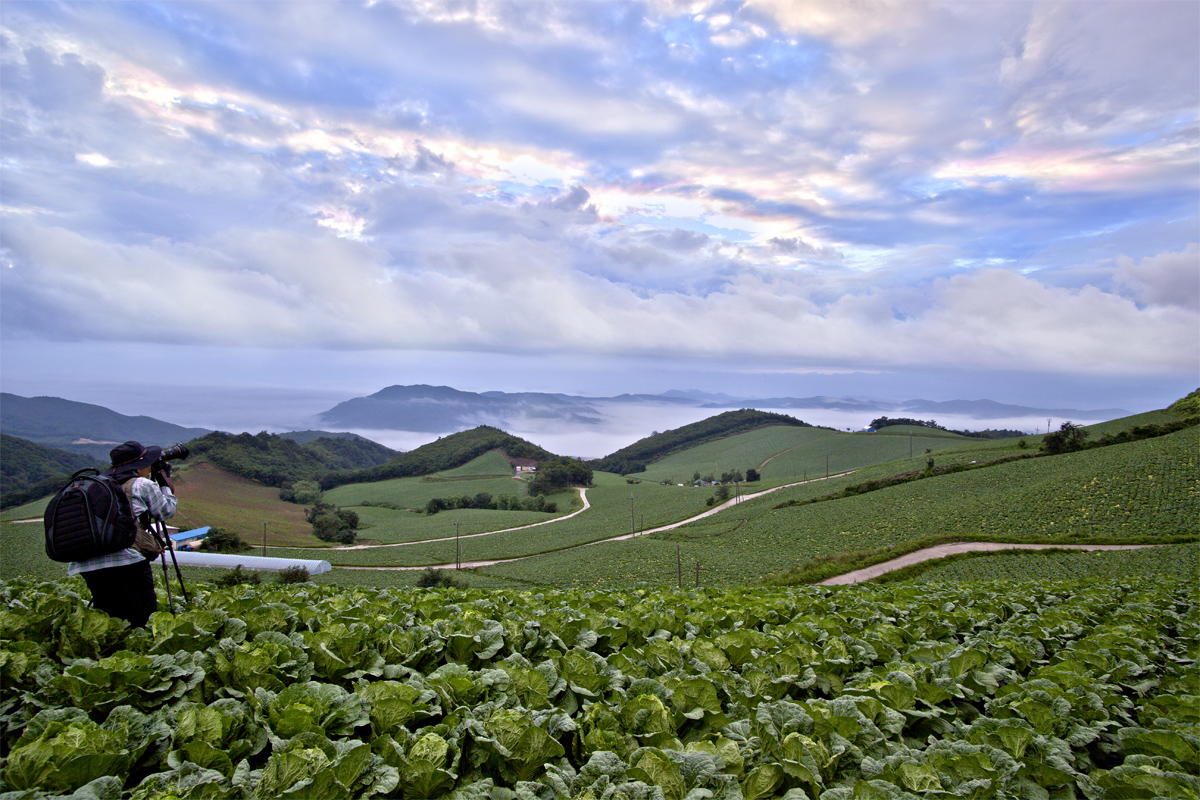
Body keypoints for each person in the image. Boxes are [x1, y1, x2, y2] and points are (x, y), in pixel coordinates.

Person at [67, 441, 178, 628]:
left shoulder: (96, 484)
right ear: (139, 467)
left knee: (108, 616)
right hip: (127, 559)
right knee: (143, 616)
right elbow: (166, 511)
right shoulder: (141, 484)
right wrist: (164, 481)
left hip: (88, 562)